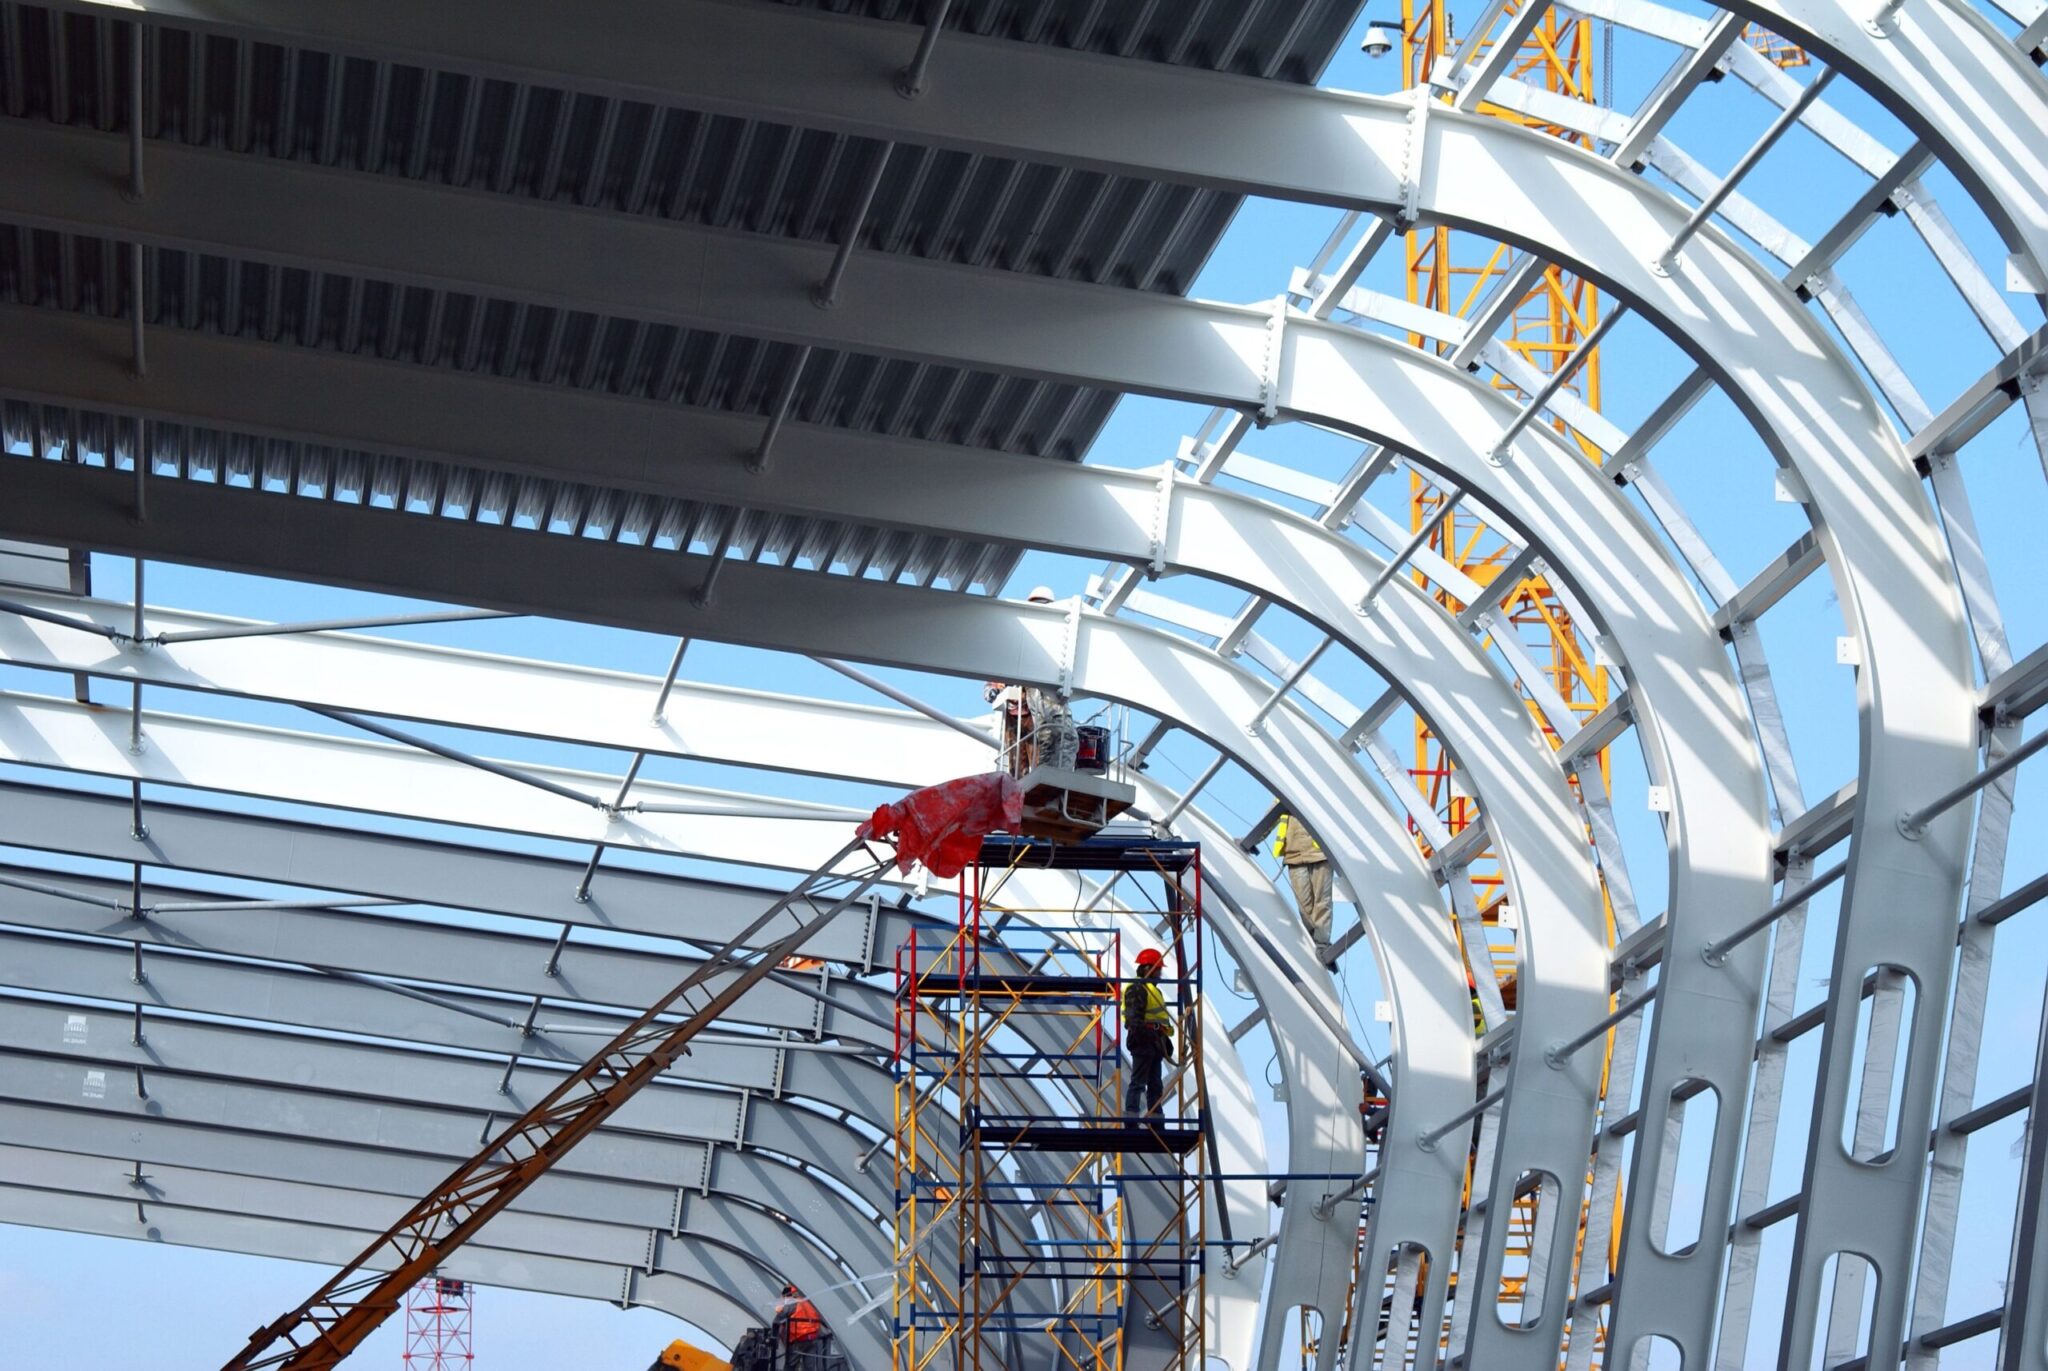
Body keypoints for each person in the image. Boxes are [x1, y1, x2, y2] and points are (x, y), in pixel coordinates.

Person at [984, 586, 1079, 776]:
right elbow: (995, 676)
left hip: (1035, 709)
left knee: (1046, 743)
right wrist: (992, 690)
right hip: (1017, 713)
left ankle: (1043, 778)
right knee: (1018, 762)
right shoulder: (1019, 638)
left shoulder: (1056, 643)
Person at [1271, 812, 1335, 968]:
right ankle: (1312, 942)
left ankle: (1321, 943)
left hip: (1321, 854)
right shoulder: (1285, 793)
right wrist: (1253, 841)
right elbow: (1271, 817)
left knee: (1322, 901)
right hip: (1295, 856)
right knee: (1304, 906)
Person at [1123, 947, 1174, 1116]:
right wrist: (1149, 1036)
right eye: (1158, 970)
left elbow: (1158, 1019)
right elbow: (1133, 1020)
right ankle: (1131, 1117)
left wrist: (1162, 1039)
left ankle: (1156, 1118)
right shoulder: (1137, 988)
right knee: (1138, 1082)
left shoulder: (1153, 990)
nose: (1159, 974)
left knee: (1155, 1084)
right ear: (1147, 968)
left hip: (1154, 1043)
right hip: (1143, 1042)